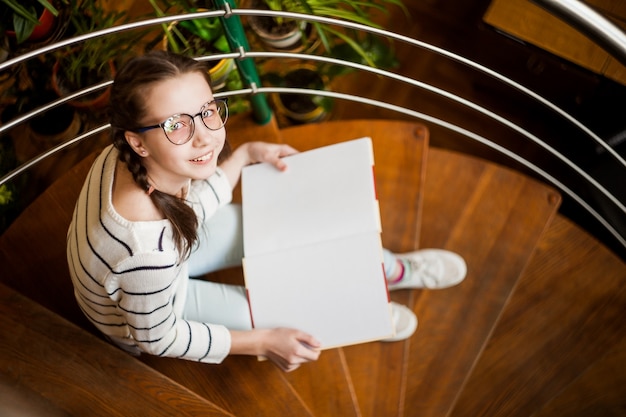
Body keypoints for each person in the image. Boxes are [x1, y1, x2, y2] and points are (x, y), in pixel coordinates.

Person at [66, 50, 467, 372]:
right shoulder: (145, 251)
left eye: (207, 111)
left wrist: (243, 155)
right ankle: (358, 312)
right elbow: (158, 337)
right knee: (280, 309)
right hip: (147, 305)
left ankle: (384, 271)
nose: (206, 136)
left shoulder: (125, 155)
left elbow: (187, 209)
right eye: (176, 125)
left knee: (273, 223)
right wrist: (263, 342)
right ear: (139, 143)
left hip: (159, 264)